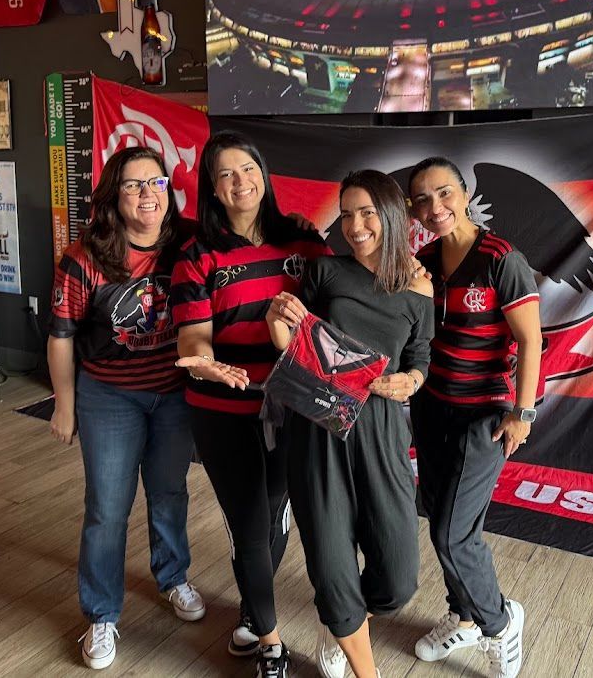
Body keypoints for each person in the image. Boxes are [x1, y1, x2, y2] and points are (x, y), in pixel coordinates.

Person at [170, 131, 329, 678]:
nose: (240, 182)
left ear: (264, 174)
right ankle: (272, 645)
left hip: (291, 408)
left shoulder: (303, 242)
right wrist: (206, 362)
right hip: (222, 412)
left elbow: (336, 310)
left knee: (275, 515)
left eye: (248, 169)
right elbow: (193, 338)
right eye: (226, 174)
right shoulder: (197, 256)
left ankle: (251, 613)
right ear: (212, 189)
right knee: (249, 524)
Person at [267, 170, 434, 678]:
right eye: (346, 214)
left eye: (367, 213)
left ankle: (345, 621)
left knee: (399, 578)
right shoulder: (326, 272)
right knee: (331, 566)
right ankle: (359, 656)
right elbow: (296, 345)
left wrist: (412, 380)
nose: (355, 225)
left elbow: (420, 356)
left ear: (392, 215)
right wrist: (278, 326)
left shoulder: (420, 285)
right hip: (318, 427)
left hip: (381, 430)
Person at [47, 146, 205, 671]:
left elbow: (246, 234)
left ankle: (173, 577)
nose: (147, 194)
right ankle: (101, 613)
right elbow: (61, 336)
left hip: (174, 393)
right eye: (133, 185)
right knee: (107, 507)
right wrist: (64, 404)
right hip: (109, 395)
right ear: (114, 197)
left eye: (156, 183)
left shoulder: (187, 243)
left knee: (169, 492)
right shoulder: (84, 258)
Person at [407, 156, 543, 678]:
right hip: (432, 406)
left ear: (464, 195)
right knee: (443, 515)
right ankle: (463, 615)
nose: (434, 206)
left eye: (444, 193)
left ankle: (499, 622)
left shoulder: (500, 258)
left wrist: (522, 412)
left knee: (452, 534)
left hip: (483, 413)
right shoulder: (423, 260)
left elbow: (531, 340)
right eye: (422, 199)